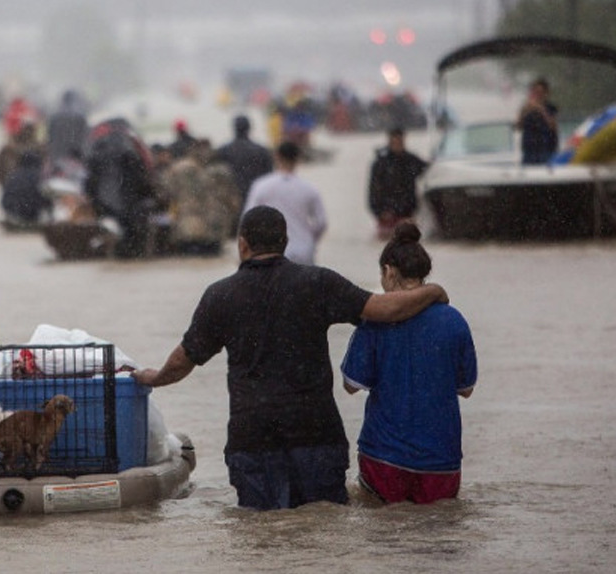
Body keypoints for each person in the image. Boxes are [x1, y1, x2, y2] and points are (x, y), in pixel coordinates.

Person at [132, 206, 449, 511]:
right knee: (321, 533)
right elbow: (386, 309)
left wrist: (152, 377)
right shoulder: (318, 283)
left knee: (263, 536)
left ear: (242, 245)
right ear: (285, 242)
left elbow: (182, 362)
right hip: (316, 436)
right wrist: (432, 291)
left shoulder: (220, 295)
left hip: (254, 441)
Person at [340, 222, 477, 505]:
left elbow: (351, 384)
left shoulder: (376, 322)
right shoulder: (455, 322)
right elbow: (466, 389)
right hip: (442, 462)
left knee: (385, 539)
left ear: (388, 272)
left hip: (384, 460)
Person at [243, 141, 327, 265]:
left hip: (270, 252)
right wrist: (309, 239)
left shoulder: (261, 186)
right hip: (302, 250)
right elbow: (321, 222)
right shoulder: (309, 188)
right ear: (298, 159)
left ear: (276, 157)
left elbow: (247, 220)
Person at [84, 118, 156, 259]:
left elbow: (90, 182)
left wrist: (95, 201)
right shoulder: (132, 147)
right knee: (133, 238)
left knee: (118, 240)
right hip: (130, 204)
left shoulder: (98, 149)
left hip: (108, 205)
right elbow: (142, 177)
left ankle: (121, 253)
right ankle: (133, 254)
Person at [160, 139, 240, 256]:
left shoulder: (178, 168)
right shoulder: (219, 171)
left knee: (190, 261)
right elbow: (231, 200)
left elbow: (165, 193)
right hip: (211, 228)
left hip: (189, 228)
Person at [368, 127, 429, 239]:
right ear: (389, 141)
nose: (398, 144)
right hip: (386, 214)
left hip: (407, 213)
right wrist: (379, 211)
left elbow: (428, 170)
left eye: (400, 141)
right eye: (395, 141)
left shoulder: (411, 160)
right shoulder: (381, 164)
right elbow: (373, 190)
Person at [215, 115, 273, 216]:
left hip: (230, 201)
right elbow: (269, 176)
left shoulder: (222, 151)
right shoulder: (262, 151)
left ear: (234, 128)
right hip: (255, 198)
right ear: (249, 128)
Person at [44, 89, 89, 182]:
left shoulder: (54, 117)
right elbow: (84, 141)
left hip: (57, 159)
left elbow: (49, 139)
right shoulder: (80, 118)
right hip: (75, 160)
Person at [1, 148, 52, 226]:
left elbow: (5, 197)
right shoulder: (40, 176)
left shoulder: (13, 176)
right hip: (33, 210)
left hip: (13, 209)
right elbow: (46, 196)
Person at [515, 77, 558, 165]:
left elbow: (553, 126)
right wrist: (524, 111)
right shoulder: (526, 107)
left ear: (546, 93)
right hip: (529, 150)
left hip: (545, 149)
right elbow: (518, 127)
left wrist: (541, 110)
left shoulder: (550, 107)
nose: (537, 95)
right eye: (534, 92)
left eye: (540, 92)